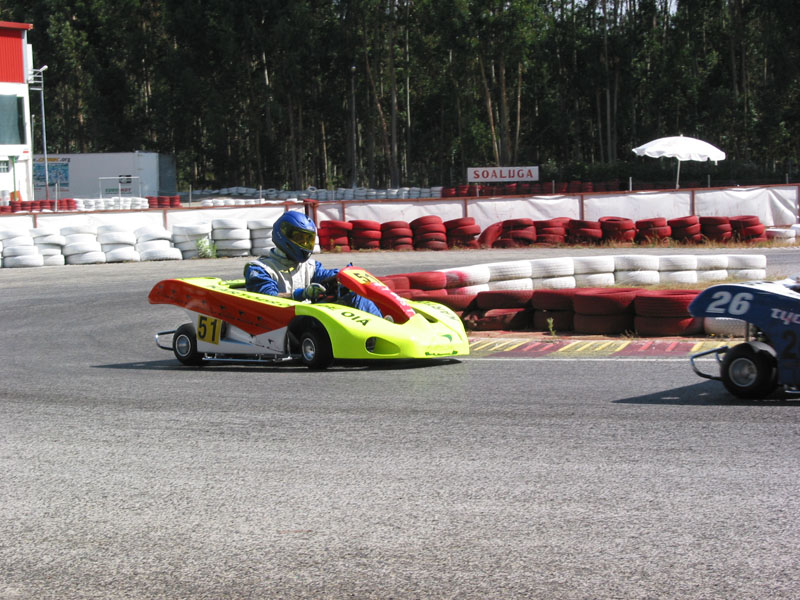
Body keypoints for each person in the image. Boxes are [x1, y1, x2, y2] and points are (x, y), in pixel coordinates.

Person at [244, 211, 381, 316]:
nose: (304, 245)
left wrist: (344, 276)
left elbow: (325, 276)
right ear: (284, 235)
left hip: (308, 318)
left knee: (354, 295)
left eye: (307, 240)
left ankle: (382, 328)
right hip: (278, 322)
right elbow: (267, 299)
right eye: (300, 239)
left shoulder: (310, 266)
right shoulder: (260, 269)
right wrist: (302, 294)